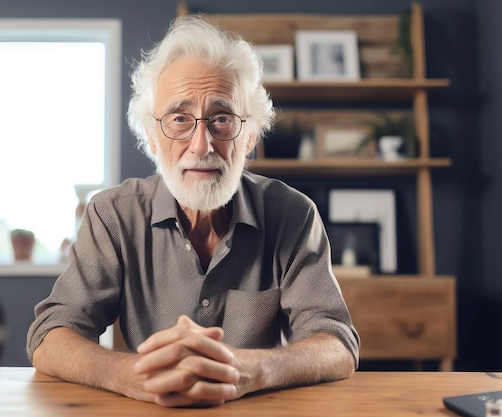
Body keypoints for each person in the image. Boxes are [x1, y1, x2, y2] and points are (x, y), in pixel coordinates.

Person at [26, 15, 359, 408]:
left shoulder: (293, 214)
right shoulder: (112, 214)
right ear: (151, 136)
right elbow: (50, 334)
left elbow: (336, 343)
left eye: (221, 119)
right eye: (180, 119)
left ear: (250, 135)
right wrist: (129, 376)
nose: (201, 145)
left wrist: (253, 369)